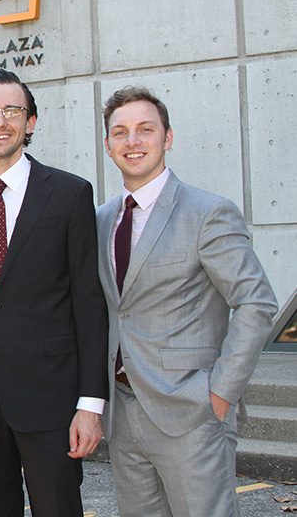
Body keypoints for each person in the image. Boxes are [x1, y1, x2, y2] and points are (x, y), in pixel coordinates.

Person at [0, 68, 109, 516]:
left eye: (12, 110)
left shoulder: (70, 194)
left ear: (31, 122)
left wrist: (90, 404)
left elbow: (89, 302)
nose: (0, 120)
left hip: (52, 402)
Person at [97, 86, 278, 517]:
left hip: (191, 412)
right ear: (108, 145)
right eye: (120, 133)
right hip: (123, 415)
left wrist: (219, 393)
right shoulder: (101, 220)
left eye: (145, 129)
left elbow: (256, 302)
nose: (133, 141)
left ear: (168, 137)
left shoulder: (207, 212)